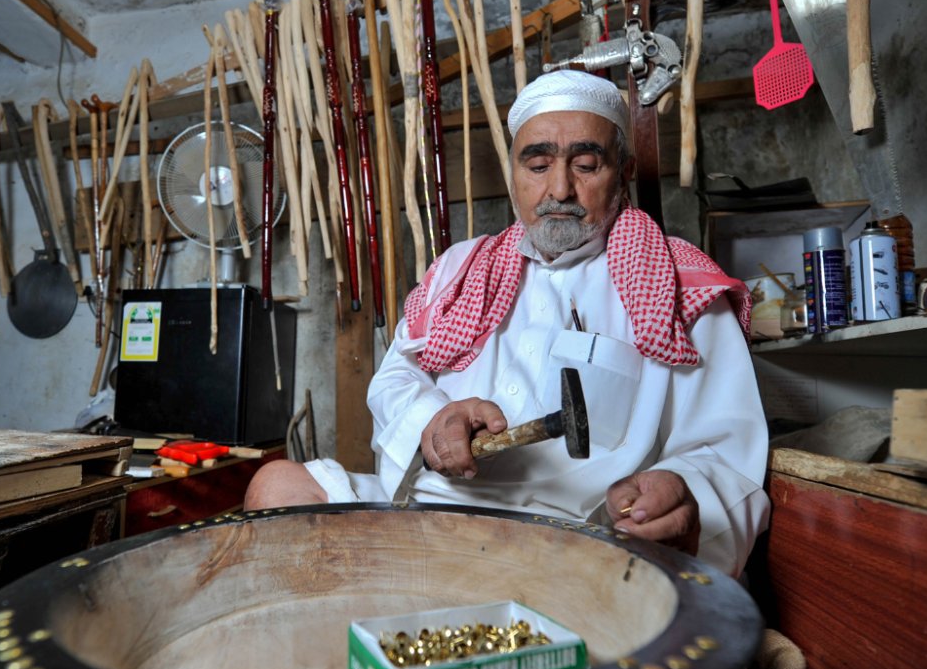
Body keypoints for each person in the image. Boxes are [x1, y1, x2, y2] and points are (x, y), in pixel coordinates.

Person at [246, 69, 769, 577]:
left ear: (624, 172)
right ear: (513, 173)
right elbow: (397, 378)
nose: (559, 188)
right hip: (429, 520)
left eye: (586, 164)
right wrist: (433, 420)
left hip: (575, 546)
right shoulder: (461, 269)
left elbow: (724, 453)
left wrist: (679, 495)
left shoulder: (678, 282)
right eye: (537, 165)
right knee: (277, 487)